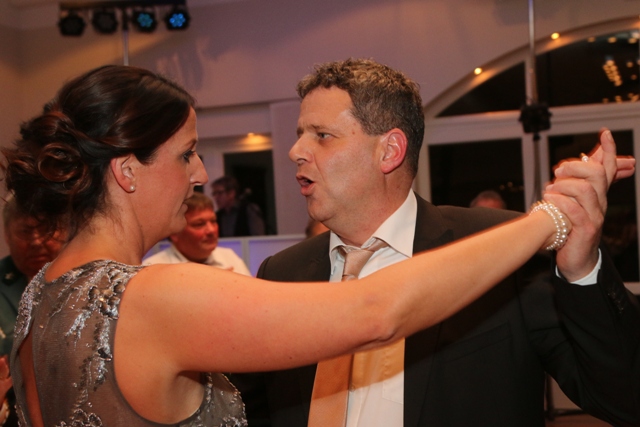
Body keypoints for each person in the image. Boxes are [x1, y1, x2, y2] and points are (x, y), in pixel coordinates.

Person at [0, 65, 618, 427]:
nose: (200, 175)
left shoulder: (38, 299)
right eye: (187, 155)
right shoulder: (162, 294)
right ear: (126, 170)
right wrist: (549, 220)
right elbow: (376, 311)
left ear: (390, 150)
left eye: (320, 135)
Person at [235, 59, 640, 427]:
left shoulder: (501, 251)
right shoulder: (282, 275)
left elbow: (624, 397)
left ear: (389, 151)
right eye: (300, 135)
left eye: (322, 135)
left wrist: (580, 271)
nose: (295, 151)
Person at [0, 197, 64, 427]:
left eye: (45, 229)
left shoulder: (93, 282)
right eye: (25, 232)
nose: (36, 241)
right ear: (8, 236)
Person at [143, 192, 251, 276]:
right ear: (174, 232)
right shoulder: (153, 269)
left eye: (213, 221)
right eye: (199, 224)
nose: (211, 230)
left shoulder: (229, 257)